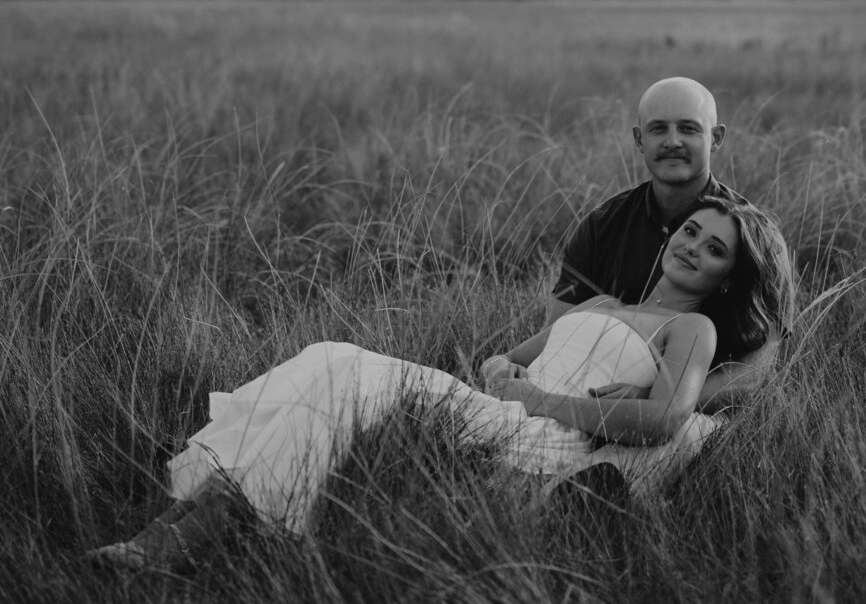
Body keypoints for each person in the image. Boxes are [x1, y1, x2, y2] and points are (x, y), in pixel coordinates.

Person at [90, 195, 795, 574]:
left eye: (714, 250)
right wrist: (506, 374)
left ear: (728, 277)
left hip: (546, 437)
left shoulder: (691, 332)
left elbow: (667, 421)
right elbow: (497, 361)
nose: (693, 248)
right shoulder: (605, 305)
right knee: (330, 363)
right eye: (693, 231)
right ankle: (174, 533)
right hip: (500, 408)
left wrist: (540, 400)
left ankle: (178, 542)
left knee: (340, 365)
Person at [549, 76, 777, 405]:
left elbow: (752, 375)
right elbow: (559, 334)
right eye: (658, 129)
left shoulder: (757, 239)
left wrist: (653, 401)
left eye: (688, 128)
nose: (673, 141)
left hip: (687, 417)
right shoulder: (602, 226)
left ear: (715, 138)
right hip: (582, 394)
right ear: (640, 139)